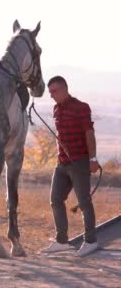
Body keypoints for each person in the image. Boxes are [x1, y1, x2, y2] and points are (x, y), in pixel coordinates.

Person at [40, 76, 99, 257]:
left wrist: (93, 158)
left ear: (65, 89)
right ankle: (61, 241)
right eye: (50, 92)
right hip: (62, 164)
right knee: (55, 200)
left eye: (54, 91)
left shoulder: (81, 107)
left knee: (84, 203)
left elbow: (89, 133)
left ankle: (90, 242)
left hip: (80, 162)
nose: (51, 95)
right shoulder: (56, 109)